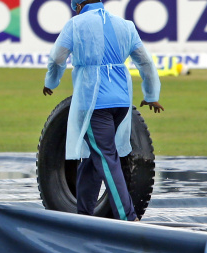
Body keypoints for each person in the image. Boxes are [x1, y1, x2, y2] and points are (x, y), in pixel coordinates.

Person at [43, 0, 164, 221]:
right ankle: (84, 216)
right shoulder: (126, 25)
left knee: (106, 158)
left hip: (93, 102)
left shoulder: (76, 24)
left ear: (78, 5)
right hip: (121, 102)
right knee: (93, 157)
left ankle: (128, 218)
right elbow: (145, 62)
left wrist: (51, 81)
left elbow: (57, 57)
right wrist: (151, 95)